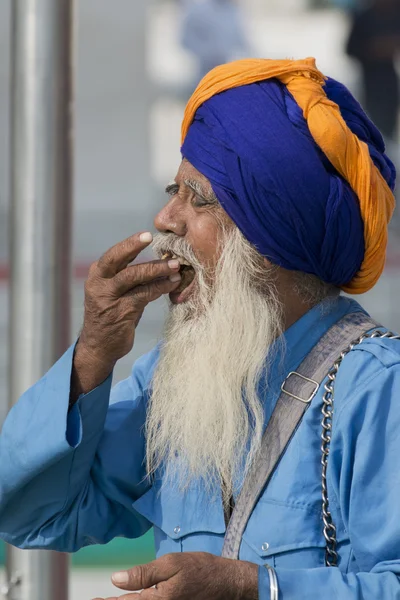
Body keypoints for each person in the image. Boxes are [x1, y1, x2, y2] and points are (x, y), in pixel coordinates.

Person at [0, 57, 399, 600]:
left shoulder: (378, 389)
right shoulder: (175, 381)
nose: (167, 219)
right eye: (173, 190)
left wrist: (254, 589)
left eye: (198, 198)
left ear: (268, 234)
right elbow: (34, 513)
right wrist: (92, 355)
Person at [346, 0, 400, 144]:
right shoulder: (365, 18)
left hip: (391, 80)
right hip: (371, 80)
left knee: (389, 127)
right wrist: (375, 50)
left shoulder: (395, 15)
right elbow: (350, 49)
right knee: (374, 125)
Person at [180, 0, 249, 86]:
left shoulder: (232, 11)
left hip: (226, 73)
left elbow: (242, 41)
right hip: (203, 73)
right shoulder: (198, 9)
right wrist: (207, 54)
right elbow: (186, 40)